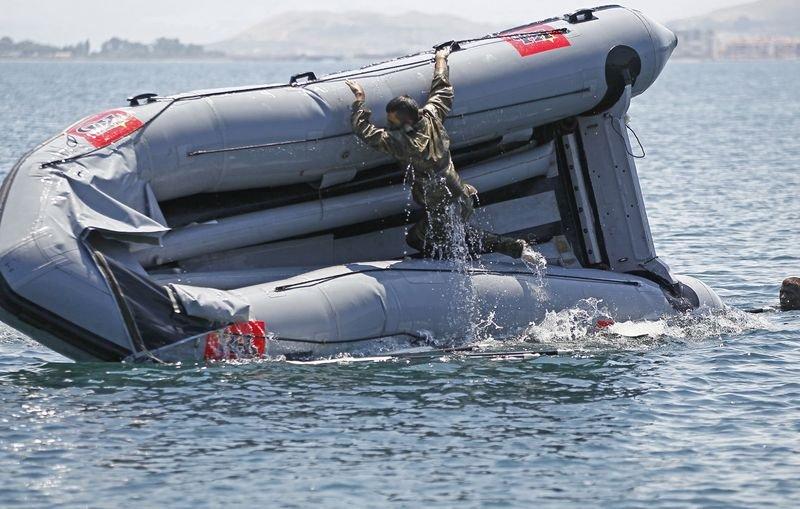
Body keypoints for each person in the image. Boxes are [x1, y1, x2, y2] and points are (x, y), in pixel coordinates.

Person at [345, 45, 537, 262]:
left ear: (406, 121)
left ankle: (515, 249)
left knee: (419, 239)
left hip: (443, 206)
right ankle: (505, 250)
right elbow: (442, 88)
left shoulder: (404, 143)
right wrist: (441, 57)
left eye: (392, 120)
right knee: (458, 233)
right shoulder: (431, 116)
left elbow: (365, 132)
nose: (389, 123)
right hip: (459, 195)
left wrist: (359, 101)